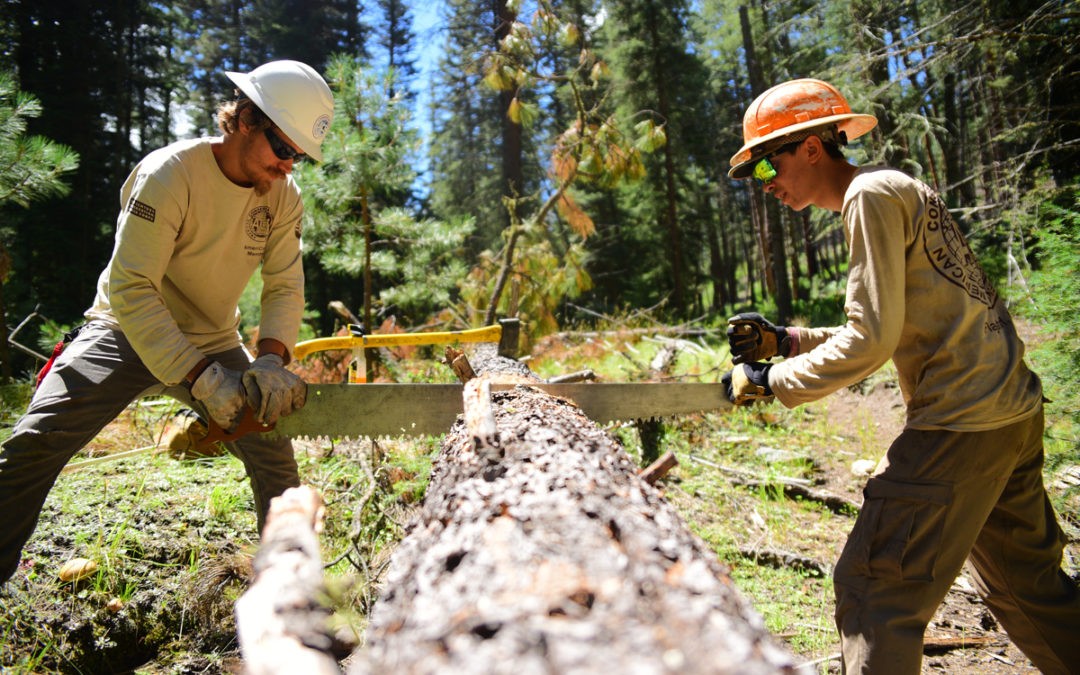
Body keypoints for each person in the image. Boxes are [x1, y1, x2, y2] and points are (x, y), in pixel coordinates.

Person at [721, 78, 1080, 674]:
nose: (766, 186)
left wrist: (771, 380)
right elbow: (900, 324)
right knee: (1028, 589)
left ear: (812, 147)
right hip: (1007, 411)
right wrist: (788, 342)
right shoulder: (891, 188)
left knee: (874, 591)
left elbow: (871, 339)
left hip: (958, 425)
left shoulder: (867, 197)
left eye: (767, 166)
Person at [0, 59, 334, 584]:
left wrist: (270, 358)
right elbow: (133, 288)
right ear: (246, 119)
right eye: (283, 148)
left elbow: (285, 285)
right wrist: (200, 377)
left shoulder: (283, 197)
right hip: (124, 329)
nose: (289, 165)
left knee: (273, 453)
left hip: (214, 336)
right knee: (37, 440)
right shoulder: (170, 173)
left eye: (299, 156)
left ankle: (291, 590)